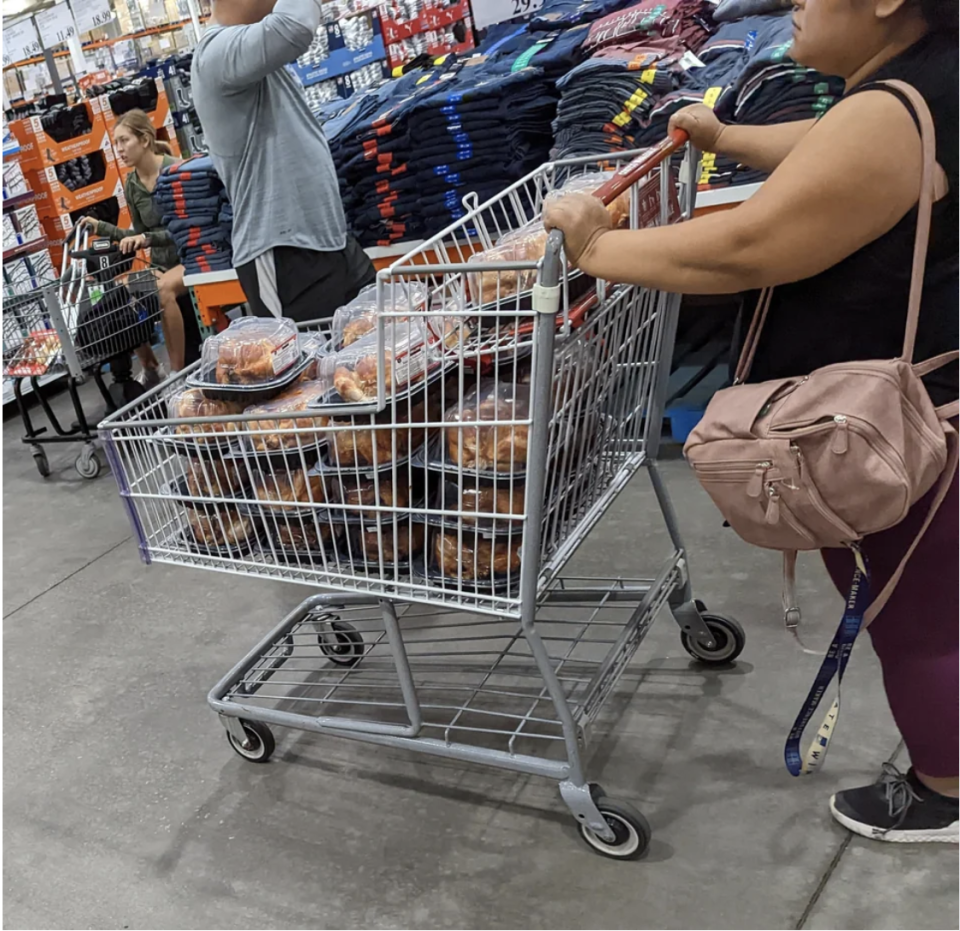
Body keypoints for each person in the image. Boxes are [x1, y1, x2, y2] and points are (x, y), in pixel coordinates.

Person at [544, 0, 958, 844]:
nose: (794, 6)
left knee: (917, 622)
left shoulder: (892, 109)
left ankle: (944, 790)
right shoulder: (920, 84)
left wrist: (595, 251)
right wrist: (724, 139)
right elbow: (825, 150)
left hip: (893, 425)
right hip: (927, 402)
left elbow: (748, 249)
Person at [190, 0, 375, 322]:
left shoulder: (247, 55)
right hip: (282, 253)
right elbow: (295, 26)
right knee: (312, 367)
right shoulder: (215, 54)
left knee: (383, 346)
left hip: (327, 239)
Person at [79, 109, 191, 377]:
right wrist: (99, 227)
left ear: (145, 139)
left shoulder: (175, 170)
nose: (119, 149)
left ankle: (178, 374)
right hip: (161, 263)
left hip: (192, 258)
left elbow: (188, 230)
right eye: (116, 143)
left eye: (124, 140)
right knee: (118, 294)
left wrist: (147, 238)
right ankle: (152, 367)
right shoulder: (131, 184)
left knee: (163, 290)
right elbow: (138, 235)